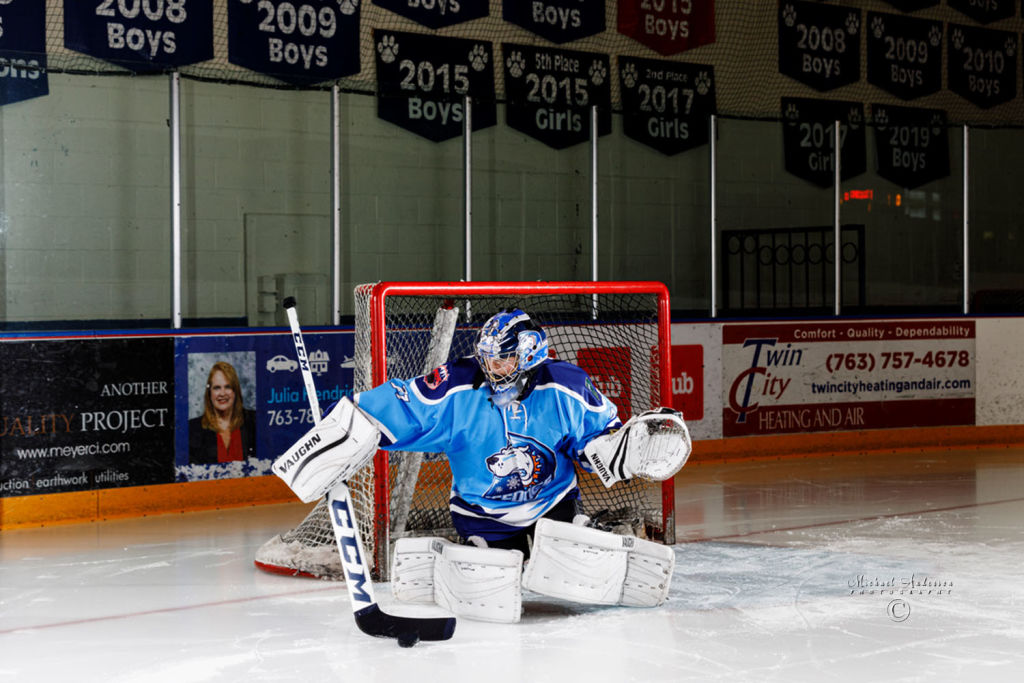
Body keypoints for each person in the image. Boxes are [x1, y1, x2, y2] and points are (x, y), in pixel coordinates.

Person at [188, 361, 256, 466]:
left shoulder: (254, 421)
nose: (222, 393)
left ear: (235, 391)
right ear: (209, 392)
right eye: (217, 388)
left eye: (228, 387)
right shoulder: (192, 429)